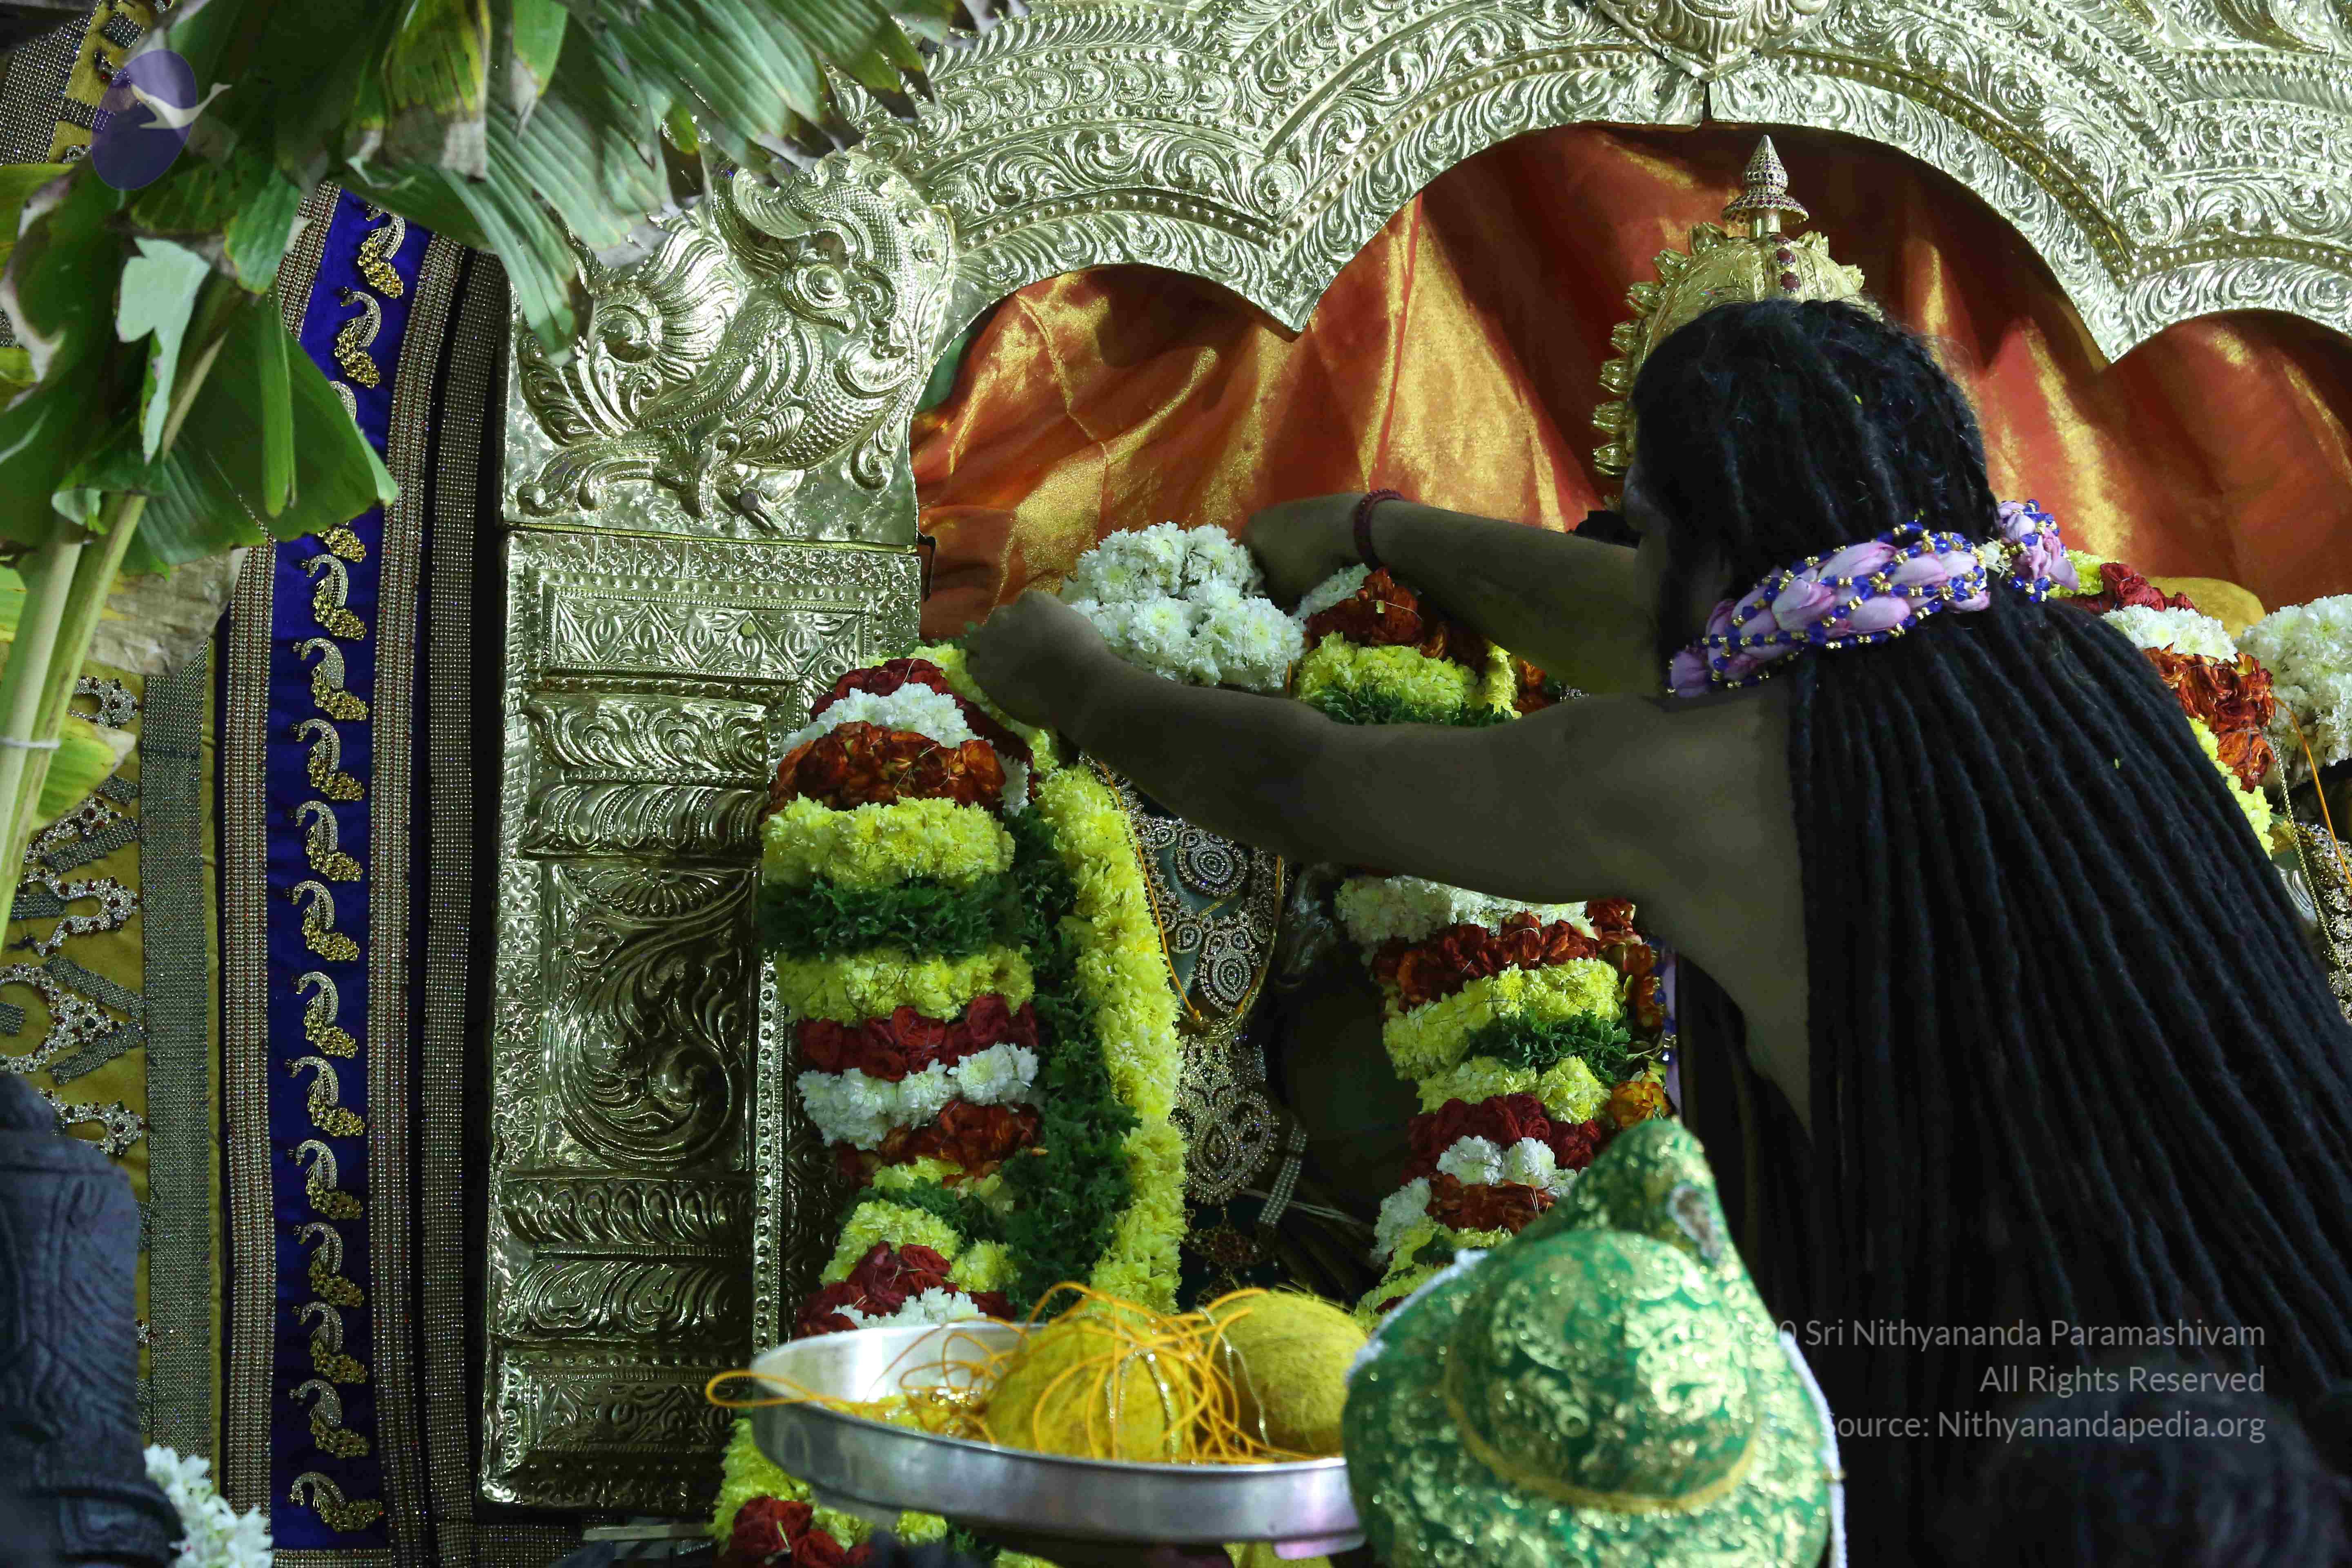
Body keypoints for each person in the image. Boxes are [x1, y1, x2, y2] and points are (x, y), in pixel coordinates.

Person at [963, 296, 2352, 1558]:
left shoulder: (1701, 773)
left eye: (1643, 522)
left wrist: (1076, 683)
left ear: (1704, 541)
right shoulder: (2080, 666)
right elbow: (1666, 623)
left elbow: (1312, 785)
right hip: (2290, 1373)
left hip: (2049, 1462)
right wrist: (1379, 528)